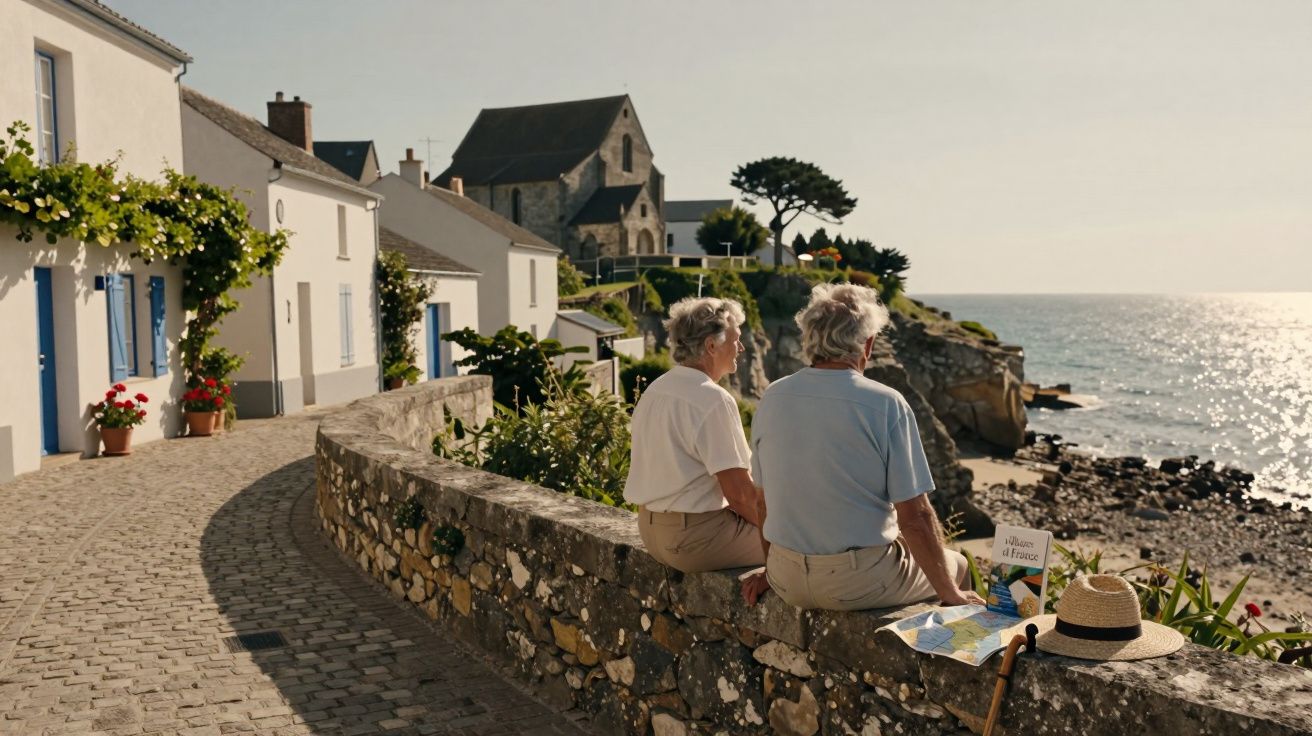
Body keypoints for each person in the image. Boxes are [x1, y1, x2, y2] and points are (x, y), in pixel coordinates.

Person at [742, 283, 983, 610]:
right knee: (958, 566)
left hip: (785, 576)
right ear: (866, 344)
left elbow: (762, 502)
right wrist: (950, 593)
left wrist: (773, 570)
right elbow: (915, 517)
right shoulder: (885, 404)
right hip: (855, 582)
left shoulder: (771, 397)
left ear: (809, 339)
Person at [624, 297, 766, 573]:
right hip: (694, 538)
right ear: (711, 346)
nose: (741, 347)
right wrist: (780, 533)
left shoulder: (656, 389)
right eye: (735, 340)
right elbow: (740, 495)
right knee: (796, 552)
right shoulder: (713, 399)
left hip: (650, 531)